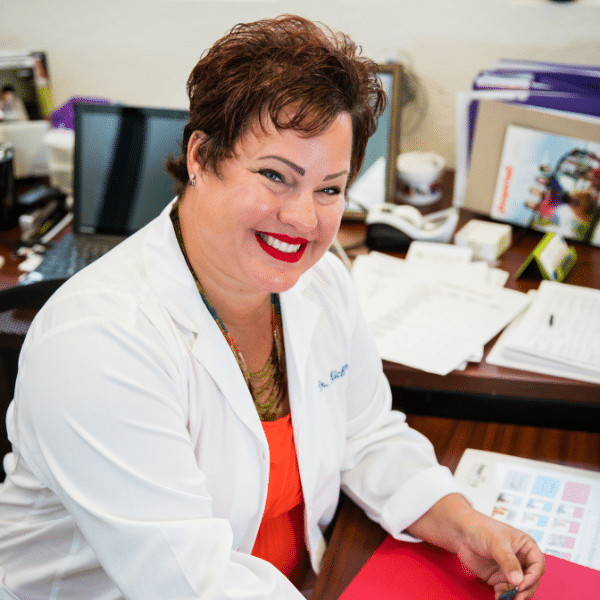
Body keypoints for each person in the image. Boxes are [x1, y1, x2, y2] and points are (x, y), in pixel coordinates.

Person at [0, 15, 544, 600]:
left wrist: (462, 523)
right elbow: (189, 581)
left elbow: (364, 435)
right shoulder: (99, 341)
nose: (304, 220)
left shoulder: (321, 283)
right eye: (275, 177)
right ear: (201, 157)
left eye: (329, 188)